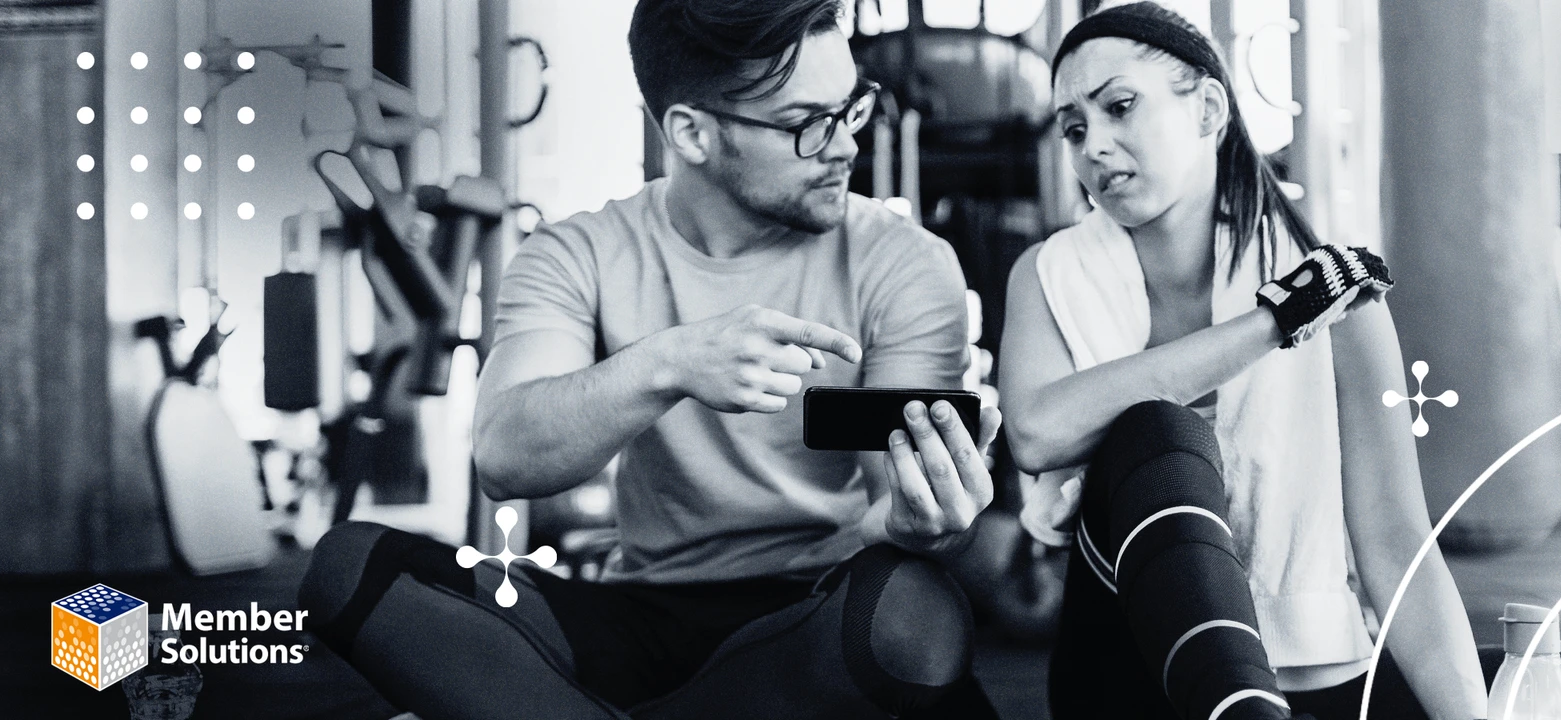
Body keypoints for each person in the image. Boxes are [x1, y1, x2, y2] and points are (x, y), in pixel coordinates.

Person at [297, 1, 1006, 717]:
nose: (845, 145)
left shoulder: (906, 262)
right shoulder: (576, 254)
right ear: (692, 132)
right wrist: (669, 363)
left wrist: (925, 523)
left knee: (916, 613)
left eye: (851, 107)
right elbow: (506, 455)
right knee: (348, 567)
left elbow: (898, 503)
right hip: (638, 613)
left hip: (820, 606)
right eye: (804, 125)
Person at [999, 4, 1489, 720]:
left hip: (1311, 670)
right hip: (1126, 670)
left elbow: (1396, 544)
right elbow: (1038, 431)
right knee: (1156, 435)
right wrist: (1275, 321)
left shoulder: (1339, 297)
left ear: (1206, 109)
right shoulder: (1046, 275)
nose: (1093, 147)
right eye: (1074, 129)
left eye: (1120, 108)